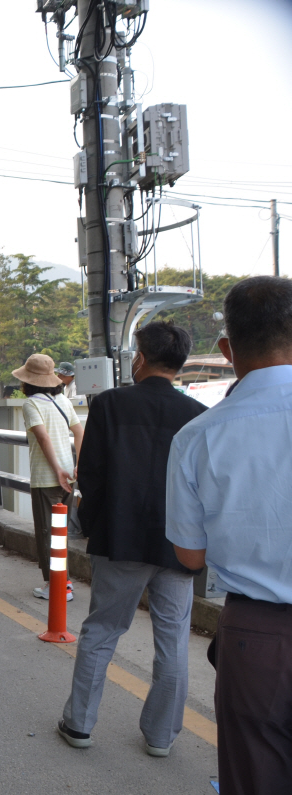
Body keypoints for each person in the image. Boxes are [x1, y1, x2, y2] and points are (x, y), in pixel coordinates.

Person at [166, 276, 292, 793]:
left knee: (256, 776)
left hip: (256, 638)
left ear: (226, 348)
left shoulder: (197, 437)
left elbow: (190, 556)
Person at [55, 322, 205, 756]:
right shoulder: (197, 414)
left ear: (139, 357)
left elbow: (93, 475)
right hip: (178, 543)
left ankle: (79, 724)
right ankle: (161, 737)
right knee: (173, 638)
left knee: (102, 630)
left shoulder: (109, 404)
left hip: (121, 538)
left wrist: (93, 526)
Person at [14, 353, 84, 602]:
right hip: (69, 476)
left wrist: (56, 470)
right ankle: (64, 582)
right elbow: (79, 431)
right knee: (60, 533)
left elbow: (43, 438)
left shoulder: (31, 404)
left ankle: (56, 586)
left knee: (47, 533)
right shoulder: (62, 400)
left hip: (47, 478)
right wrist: (77, 464)